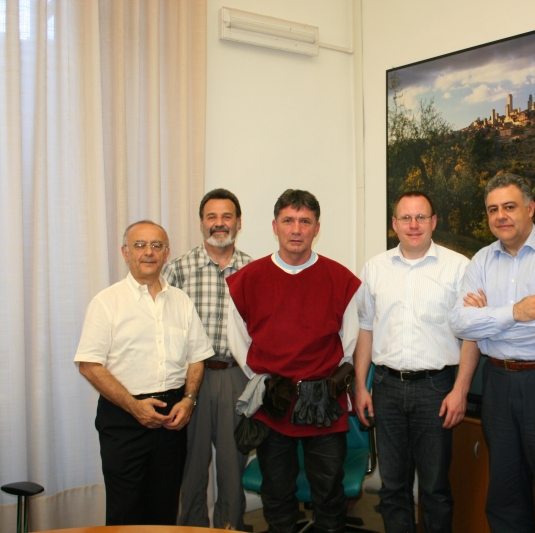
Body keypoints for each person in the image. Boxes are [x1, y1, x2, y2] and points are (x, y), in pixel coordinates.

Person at [449, 173, 535, 533]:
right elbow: (461, 323)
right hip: (497, 383)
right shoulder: (480, 259)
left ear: (530, 207)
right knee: (505, 492)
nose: (501, 216)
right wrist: (516, 311)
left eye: (509, 207)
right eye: (493, 209)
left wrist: (488, 314)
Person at [226, 189, 361, 533]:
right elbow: (240, 343)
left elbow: (348, 342)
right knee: (277, 492)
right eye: (288, 221)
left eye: (305, 221)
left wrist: (322, 380)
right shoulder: (248, 279)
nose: (296, 229)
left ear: (317, 228)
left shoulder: (340, 279)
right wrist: (268, 382)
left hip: (324, 403)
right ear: (275, 226)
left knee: (329, 493)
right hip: (273, 403)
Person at [354, 191, 480, 533]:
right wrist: (359, 386)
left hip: (436, 390)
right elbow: (365, 330)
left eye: (421, 217)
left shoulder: (459, 268)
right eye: (405, 218)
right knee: (392, 488)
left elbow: (472, 335)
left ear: (433, 222)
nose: (413, 225)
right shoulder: (374, 269)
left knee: (435, 489)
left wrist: (460, 390)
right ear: (394, 224)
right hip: (386, 387)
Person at [75, 220, 214, 526]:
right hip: (123, 419)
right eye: (140, 245)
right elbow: (88, 364)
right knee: (125, 512)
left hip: (173, 418)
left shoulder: (181, 301)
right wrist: (133, 406)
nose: (148, 252)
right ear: (126, 253)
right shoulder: (107, 302)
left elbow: (197, 357)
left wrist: (189, 399)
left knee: (164, 511)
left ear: (167, 254)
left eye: (156, 246)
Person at [163, 189, 253, 530]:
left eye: (226, 216)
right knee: (192, 465)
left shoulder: (253, 269)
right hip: (192, 379)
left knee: (233, 466)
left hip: (235, 376)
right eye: (211, 217)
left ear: (238, 223)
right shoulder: (178, 270)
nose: (219, 223)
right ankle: (192, 527)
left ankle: (230, 526)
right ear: (202, 222)